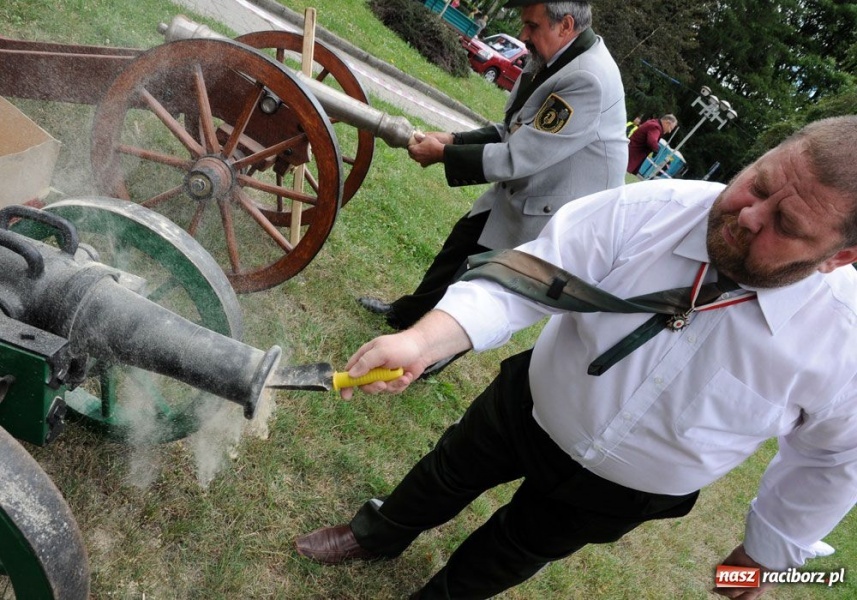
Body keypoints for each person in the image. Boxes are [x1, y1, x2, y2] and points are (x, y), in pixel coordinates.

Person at [294, 116, 857, 600]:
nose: (751, 216)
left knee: (515, 549)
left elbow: (831, 463)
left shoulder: (845, 339)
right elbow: (527, 276)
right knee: (447, 471)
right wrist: (421, 342)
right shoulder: (653, 208)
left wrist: (760, 556)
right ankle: (377, 533)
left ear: (840, 256)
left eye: (787, 226)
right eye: (756, 185)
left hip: (626, 488)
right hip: (532, 405)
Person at [357, 0, 627, 338]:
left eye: (532, 26)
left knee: (481, 286)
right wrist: (453, 139)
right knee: (461, 244)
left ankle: (428, 354)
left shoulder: (588, 79)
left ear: (566, 25)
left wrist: (444, 154)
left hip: (552, 209)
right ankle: (405, 316)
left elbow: (519, 156)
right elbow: (514, 129)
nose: (522, 34)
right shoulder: (553, 57)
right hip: (529, 187)